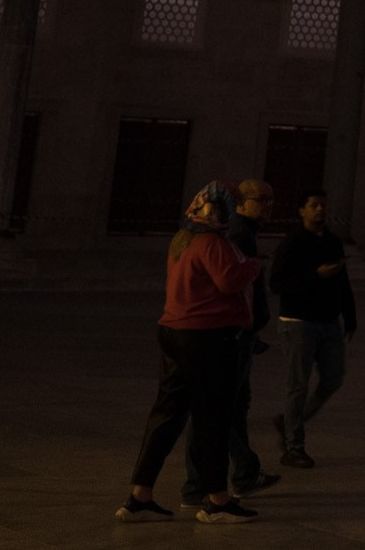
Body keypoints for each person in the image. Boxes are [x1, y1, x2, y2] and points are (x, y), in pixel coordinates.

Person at [117, 181, 270, 525]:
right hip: (207, 337)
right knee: (212, 416)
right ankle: (217, 500)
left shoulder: (182, 240)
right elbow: (229, 280)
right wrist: (254, 266)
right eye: (230, 207)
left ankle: (139, 496)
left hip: (176, 331)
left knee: (166, 414)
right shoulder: (211, 242)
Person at [176, 179, 277, 505]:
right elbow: (229, 282)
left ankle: (229, 478)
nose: (267, 206)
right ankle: (225, 477)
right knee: (217, 408)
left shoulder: (236, 233)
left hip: (236, 333)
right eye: (260, 199)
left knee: (228, 407)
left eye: (270, 199)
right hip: (223, 334)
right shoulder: (230, 236)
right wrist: (251, 269)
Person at [269, 189, 355, 469]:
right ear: (302, 211)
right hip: (298, 322)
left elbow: (342, 280)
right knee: (298, 385)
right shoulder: (292, 243)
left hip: (329, 321)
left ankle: (290, 420)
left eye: (323, 206)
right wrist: (315, 276)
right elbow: (277, 283)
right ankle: (295, 447)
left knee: (333, 378)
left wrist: (350, 315)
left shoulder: (331, 241)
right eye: (314, 205)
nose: (320, 210)